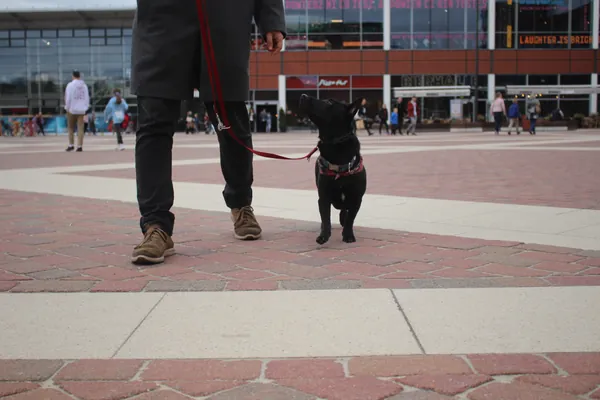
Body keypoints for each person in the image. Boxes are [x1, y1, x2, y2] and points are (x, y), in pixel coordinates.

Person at [130, 0, 285, 264]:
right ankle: (155, 224)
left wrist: (271, 19)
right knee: (153, 123)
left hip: (224, 17)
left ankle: (241, 203)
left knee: (231, 121)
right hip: (161, 21)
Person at [64, 69, 90, 152]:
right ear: (79, 76)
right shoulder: (84, 86)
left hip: (72, 109)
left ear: (73, 76)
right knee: (80, 128)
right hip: (81, 110)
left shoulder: (70, 85)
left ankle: (71, 144)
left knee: (70, 127)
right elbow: (87, 98)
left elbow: (68, 98)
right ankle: (79, 146)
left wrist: (67, 107)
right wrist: (86, 107)